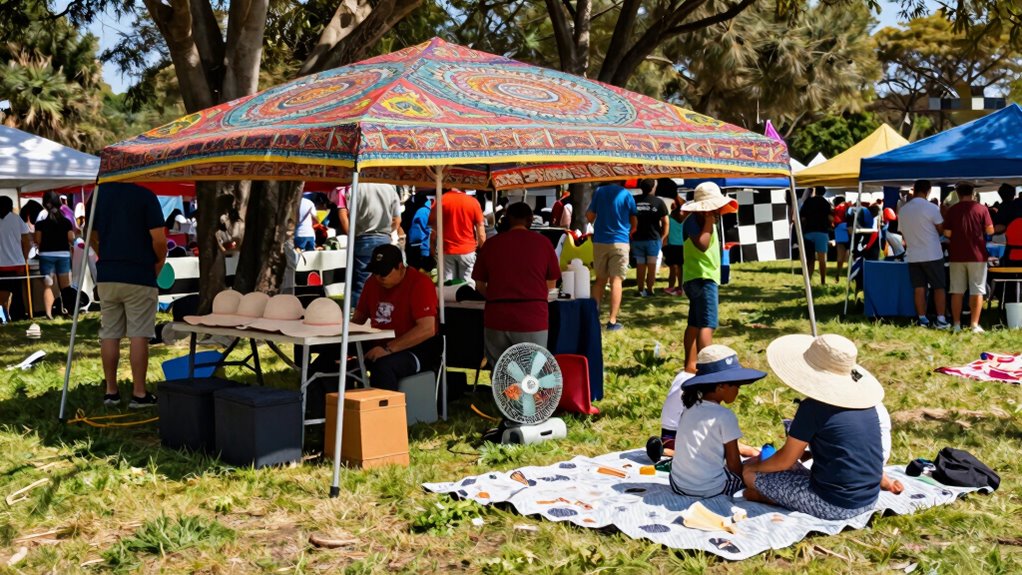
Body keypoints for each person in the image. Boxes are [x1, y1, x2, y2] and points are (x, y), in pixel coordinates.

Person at [743, 334, 884, 521]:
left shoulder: (813, 408)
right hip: (869, 499)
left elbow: (785, 460)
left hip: (833, 504)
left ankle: (769, 497)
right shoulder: (865, 405)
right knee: (786, 467)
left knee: (750, 475)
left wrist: (756, 467)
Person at [91, 183, 167, 408]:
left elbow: (91, 234)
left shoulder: (98, 194)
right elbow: (159, 240)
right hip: (139, 273)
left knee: (109, 333)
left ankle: (111, 392)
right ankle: (139, 393)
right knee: (139, 334)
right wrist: (158, 261)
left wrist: (106, 254)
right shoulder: (145, 195)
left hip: (108, 273)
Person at [667, 345, 766, 498]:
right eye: (737, 386)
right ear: (721, 386)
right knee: (752, 473)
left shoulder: (689, 408)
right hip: (710, 488)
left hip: (678, 484)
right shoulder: (725, 416)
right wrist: (748, 472)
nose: (738, 391)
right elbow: (733, 463)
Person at [472, 202, 561, 367]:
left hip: (497, 316)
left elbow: (479, 284)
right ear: (530, 219)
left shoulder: (491, 244)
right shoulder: (543, 243)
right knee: (532, 373)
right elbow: (551, 283)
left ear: (507, 219)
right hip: (533, 317)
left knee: (500, 373)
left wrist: (495, 295)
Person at [352, 244, 441, 390]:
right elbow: (357, 320)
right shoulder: (372, 282)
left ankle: (384, 405)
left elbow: (427, 329)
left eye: (384, 273)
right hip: (380, 343)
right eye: (375, 272)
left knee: (383, 367)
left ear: (400, 267)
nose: (379, 277)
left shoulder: (420, 283)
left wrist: (388, 349)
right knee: (332, 356)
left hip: (417, 349)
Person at [681, 182, 734, 374]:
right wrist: (709, 222)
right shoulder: (697, 223)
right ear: (707, 210)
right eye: (715, 209)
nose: (719, 212)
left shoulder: (697, 220)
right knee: (707, 325)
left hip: (695, 277)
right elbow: (702, 245)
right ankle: (708, 368)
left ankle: (690, 364)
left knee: (694, 324)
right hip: (703, 279)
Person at [336, 183, 402, 307]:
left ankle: (358, 314)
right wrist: (388, 231)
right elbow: (397, 220)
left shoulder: (355, 186)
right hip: (384, 239)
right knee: (384, 281)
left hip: (362, 239)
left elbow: (345, 214)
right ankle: (380, 313)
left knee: (361, 284)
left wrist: (352, 233)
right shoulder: (390, 187)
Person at [898, 179, 949, 329]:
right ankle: (941, 319)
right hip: (932, 254)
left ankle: (922, 319)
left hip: (913, 254)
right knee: (939, 287)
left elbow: (903, 233)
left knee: (919, 288)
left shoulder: (904, 210)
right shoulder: (932, 208)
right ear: (928, 191)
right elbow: (941, 230)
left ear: (914, 190)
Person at [586, 181, 637, 331]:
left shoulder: (599, 191)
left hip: (600, 241)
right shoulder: (627, 194)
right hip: (620, 241)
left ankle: (593, 317)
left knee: (599, 281)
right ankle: (612, 321)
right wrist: (631, 230)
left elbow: (590, 216)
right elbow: (634, 220)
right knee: (616, 281)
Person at [944, 182, 994, 333]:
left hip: (956, 255)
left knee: (957, 291)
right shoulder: (982, 209)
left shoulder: (952, 210)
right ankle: (974, 324)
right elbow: (990, 230)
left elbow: (947, 233)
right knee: (977, 290)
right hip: (977, 255)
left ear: (958, 194)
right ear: (973, 194)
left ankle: (956, 324)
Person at [429, 188, 485, 283]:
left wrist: (432, 247)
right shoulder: (473, 202)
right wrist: (483, 249)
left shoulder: (440, 201)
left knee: (448, 284)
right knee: (467, 284)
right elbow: (481, 232)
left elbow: (433, 229)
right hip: (467, 251)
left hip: (446, 251)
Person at [35, 192, 75, 319]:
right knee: (65, 286)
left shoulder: (40, 224)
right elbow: (71, 238)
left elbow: (38, 240)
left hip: (46, 255)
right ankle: (70, 312)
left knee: (48, 285)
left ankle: (48, 314)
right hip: (63, 254)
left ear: (44, 205)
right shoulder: (66, 222)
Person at [631, 179, 669, 297]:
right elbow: (666, 222)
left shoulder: (634, 200)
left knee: (640, 264)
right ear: (653, 187)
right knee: (652, 265)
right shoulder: (658, 202)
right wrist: (663, 237)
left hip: (637, 238)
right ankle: (650, 289)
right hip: (653, 238)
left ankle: (640, 289)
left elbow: (629, 217)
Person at [0, 197, 32, 321]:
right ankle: (17, 315)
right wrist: (25, 257)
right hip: (17, 262)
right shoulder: (16, 219)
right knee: (18, 292)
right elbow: (27, 241)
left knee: (2, 291)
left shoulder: (16, 219)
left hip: (2, 264)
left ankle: (4, 315)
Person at [799, 186, 833, 285]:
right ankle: (823, 281)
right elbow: (830, 218)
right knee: (822, 259)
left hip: (809, 232)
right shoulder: (826, 203)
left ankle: (807, 281)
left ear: (815, 191)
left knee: (810, 259)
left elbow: (803, 218)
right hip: (822, 232)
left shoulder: (808, 201)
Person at [404, 192, 433, 271]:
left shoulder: (423, 211)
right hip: (421, 249)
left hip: (419, 249)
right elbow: (421, 233)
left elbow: (419, 233)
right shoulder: (425, 211)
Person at [663, 199, 685, 296]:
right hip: (683, 245)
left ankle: (671, 286)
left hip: (672, 246)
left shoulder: (670, 217)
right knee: (681, 267)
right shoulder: (686, 218)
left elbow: (666, 232)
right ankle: (681, 287)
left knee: (673, 268)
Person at [832, 195, 851, 277]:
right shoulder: (848, 205)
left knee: (840, 254)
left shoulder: (836, 208)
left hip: (839, 228)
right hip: (849, 228)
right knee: (851, 252)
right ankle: (850, 272)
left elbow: (834, 220)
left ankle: (838, 273)